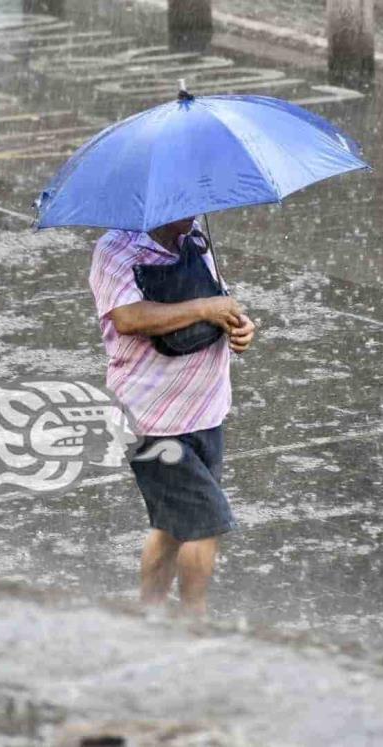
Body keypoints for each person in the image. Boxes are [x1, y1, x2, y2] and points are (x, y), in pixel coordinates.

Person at [89, 215, 256, 617]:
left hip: (207, 409)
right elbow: (128, 317)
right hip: (151, 420)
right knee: (205, 523)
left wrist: (242, 326)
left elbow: (218, 301)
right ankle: (193, 621)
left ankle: (149, 613)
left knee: (170, 526)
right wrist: (203, 307)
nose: (192, 211)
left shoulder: (196, 236)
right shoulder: (114, 250)